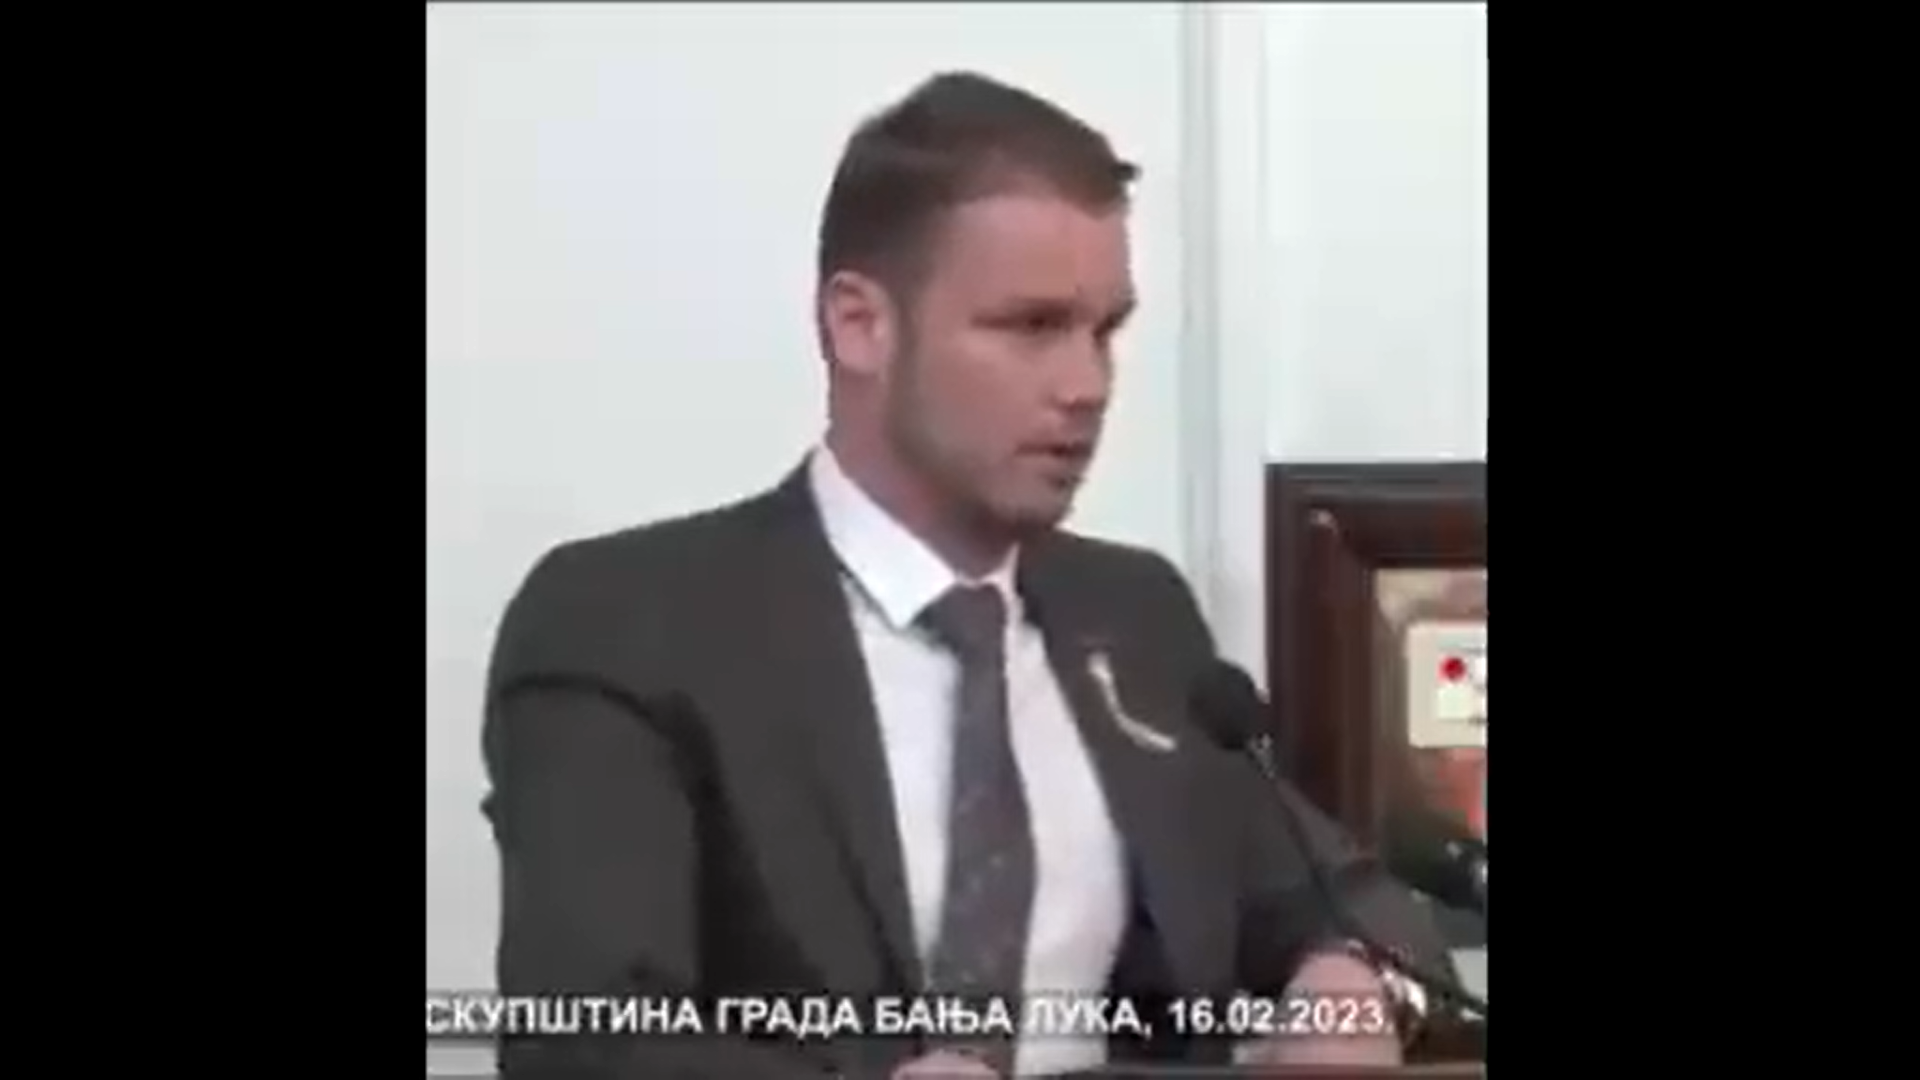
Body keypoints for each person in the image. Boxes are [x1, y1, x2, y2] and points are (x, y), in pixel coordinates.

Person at [481, 71, 1453, 1079]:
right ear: (859, 325)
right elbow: (584, 1039)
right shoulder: (631, 624)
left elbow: (1357, 903)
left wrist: (1353, 984)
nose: (1086, 385)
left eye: (1105, 331)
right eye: (1031, 327)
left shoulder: (1135, 617)